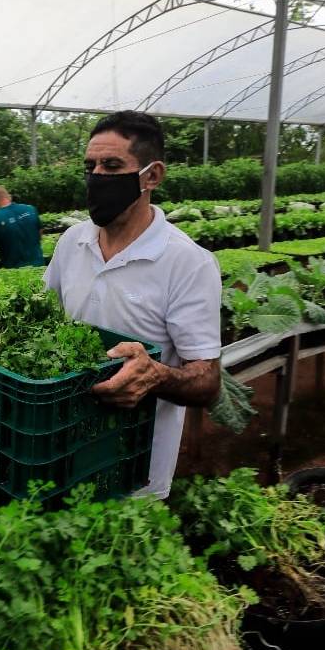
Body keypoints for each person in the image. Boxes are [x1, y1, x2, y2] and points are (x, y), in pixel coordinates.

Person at [43, 111, 221, 499]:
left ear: (151, 176)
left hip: (134, 468)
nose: (97, 177)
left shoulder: (187, 262)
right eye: (90, 166)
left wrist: (155, 375)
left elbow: (207, 381)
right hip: (62, 447)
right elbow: (48, 322)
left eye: (112, 166)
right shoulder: (71, 242)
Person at [0, 186, 45, 268]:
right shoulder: (30, 209)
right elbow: (39, 235)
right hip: (39, 268)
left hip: (14, 274)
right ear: (8, 196)